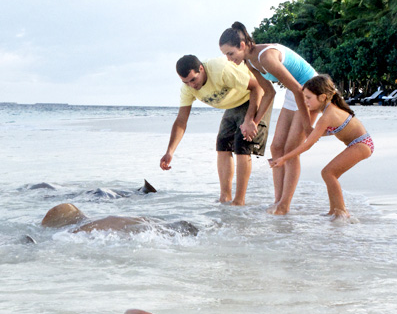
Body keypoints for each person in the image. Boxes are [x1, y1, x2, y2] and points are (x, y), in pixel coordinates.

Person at [218, 21, 317, 215]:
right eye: (226, 56)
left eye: (230, 53)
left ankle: (284, 205)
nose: (229, 59)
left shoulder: (266, 56)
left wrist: (308, 126)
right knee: (276, 147)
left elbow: (299, 89)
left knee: (291, 149)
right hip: (294, 92)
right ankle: (278, 201)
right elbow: (269, 92)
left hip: (311, 90)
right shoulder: (250, 62)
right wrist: (253, 122)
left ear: (242, 46)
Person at [160, 55, 270, 206]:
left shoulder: (220, 70)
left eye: (193, 79)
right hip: (234, 103)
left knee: (241, 144)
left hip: (255, 96)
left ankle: (239, 201)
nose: (191, 85)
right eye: (185, 82)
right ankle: (225, 198)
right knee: (222, 144)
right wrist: (170, 151)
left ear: (201, 68)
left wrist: (250, 120)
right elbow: (181, 121)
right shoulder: (187, 88)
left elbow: (257, 86)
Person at [268, 74, 374, 220]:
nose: (305, 102)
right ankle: (334, 210)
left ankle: (341, 211)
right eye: (304, 97)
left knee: (328, 173)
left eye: (308, 98)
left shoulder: (327, 116)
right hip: (360, 143)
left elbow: (307, 145)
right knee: (329, 173)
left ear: (323, 97)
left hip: (362, 144)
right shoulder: (329, 109)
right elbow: (316, 135)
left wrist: (283, 159)